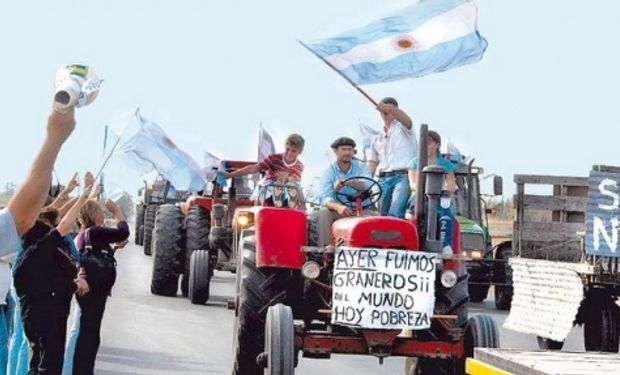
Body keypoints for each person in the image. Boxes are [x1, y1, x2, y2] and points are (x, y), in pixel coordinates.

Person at [14, 182, 92, 375]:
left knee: (37, 363)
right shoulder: (37, 251)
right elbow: (63, 226)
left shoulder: (31, 255)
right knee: (48, 365)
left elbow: (49, 279)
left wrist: (73, 284)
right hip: (45, 317)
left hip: (40, 315)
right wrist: (83, 196)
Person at [72, 199, 129, 375]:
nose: (103, 215)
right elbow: (123, 231)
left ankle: (84, 370)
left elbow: (98, 257)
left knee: (89, 331)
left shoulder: (87, 234)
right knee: (90, 334)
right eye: (101, 212)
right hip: (93, 289)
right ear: (94, 215)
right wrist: (117, 210)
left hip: (94, 289)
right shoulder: (95, 231)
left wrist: (115, 249)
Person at [314, 137, 374, 246]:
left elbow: (367, 185)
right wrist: (339, 207)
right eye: (344, 149)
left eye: (350, 149)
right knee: (323, 213)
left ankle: (374, 251)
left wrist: (348, 183)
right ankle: (326, 250)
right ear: (335, 151)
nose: (347, 152)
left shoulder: (361, 167)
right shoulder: (329, 172)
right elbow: (324, 198)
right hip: (339, 212)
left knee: (378, 218)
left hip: (362, 211)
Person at [220, 134, 305, 208]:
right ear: (285, 147)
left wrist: (287, 178)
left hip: (286, 190)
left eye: (293, 151)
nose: (289, 153)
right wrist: (231, 175)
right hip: (270, 188)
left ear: (300, 152)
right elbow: (255, 168)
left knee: (293, 184)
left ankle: (290, 201)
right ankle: (275, 198)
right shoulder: (274, 158)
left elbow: (295, 178)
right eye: (287, 149)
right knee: (274, 184)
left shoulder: (299, 165)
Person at [368, 97, 416, 218]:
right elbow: (373, 162)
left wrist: (390, 109)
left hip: (402, 176)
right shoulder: (377, 137)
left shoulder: (404, 128)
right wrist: (366, 182)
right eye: (383, 111)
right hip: (383, 179)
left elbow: (407, 121)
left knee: (395, 212)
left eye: (390, 110)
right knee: (381, 215)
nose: (386, 113)